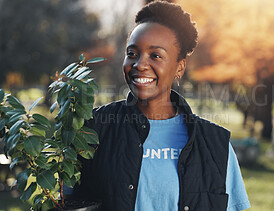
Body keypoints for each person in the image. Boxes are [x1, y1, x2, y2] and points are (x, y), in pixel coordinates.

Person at [72, 1, 250, 211]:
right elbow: (65, 199)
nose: (140, 64)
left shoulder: (215, 146)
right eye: (132, 53)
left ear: (179, 67)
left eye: (155, 55)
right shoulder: (94, 130)